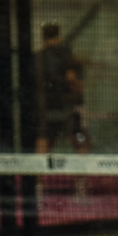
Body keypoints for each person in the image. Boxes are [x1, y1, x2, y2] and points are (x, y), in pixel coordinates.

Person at [34, 23, 85, 153]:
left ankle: (38, 167)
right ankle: (85, 166)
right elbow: (72, 79)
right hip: (65, 105)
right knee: (79, 139)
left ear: (43, 38)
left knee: (44, 138)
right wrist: (76, 98)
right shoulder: (65, 54)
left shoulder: (38, 57)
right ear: (58, 36)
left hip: (45, 106)